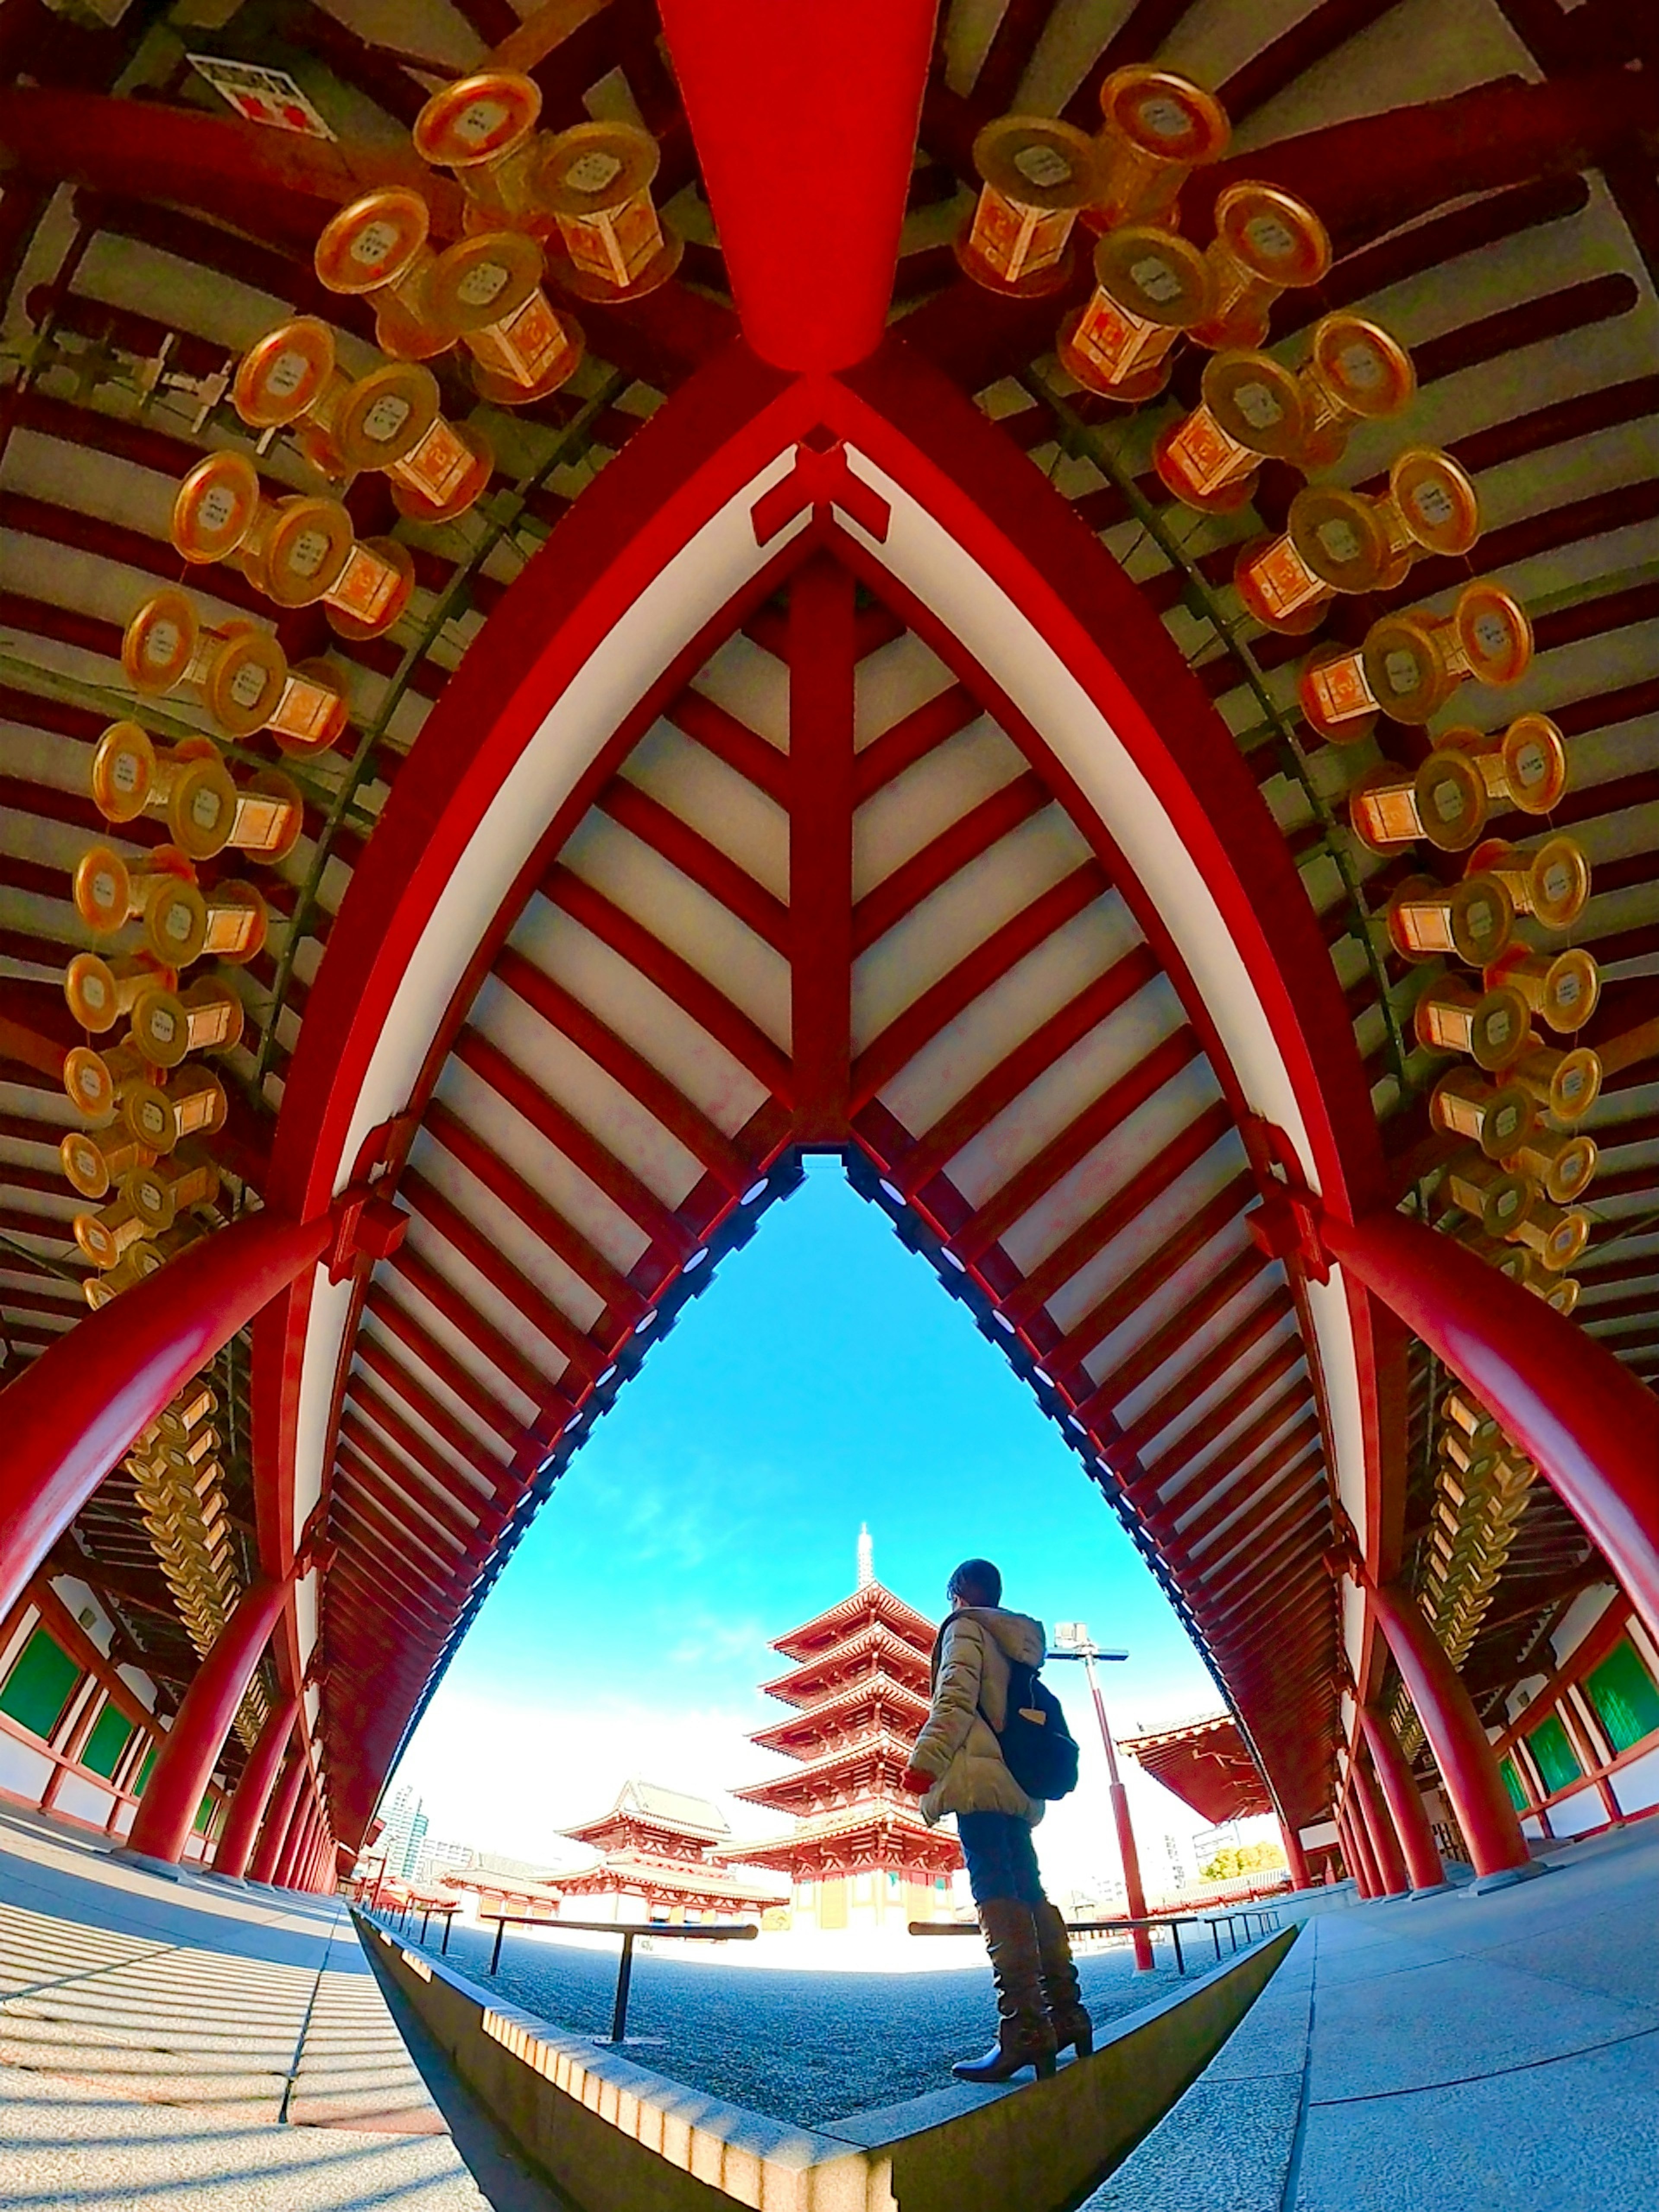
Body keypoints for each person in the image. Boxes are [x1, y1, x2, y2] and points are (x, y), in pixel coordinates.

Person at [901, 1557, 1090, 2082]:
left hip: (979, 1782)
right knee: (1029, 1889)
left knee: (994, 1888)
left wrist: (924, 1762)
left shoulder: (965, 1629)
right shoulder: (1019, 1644)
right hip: (1016, 1783)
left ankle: (1024, 2030)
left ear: (959, 1593)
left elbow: (955, 1699)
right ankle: (1067, 2013)